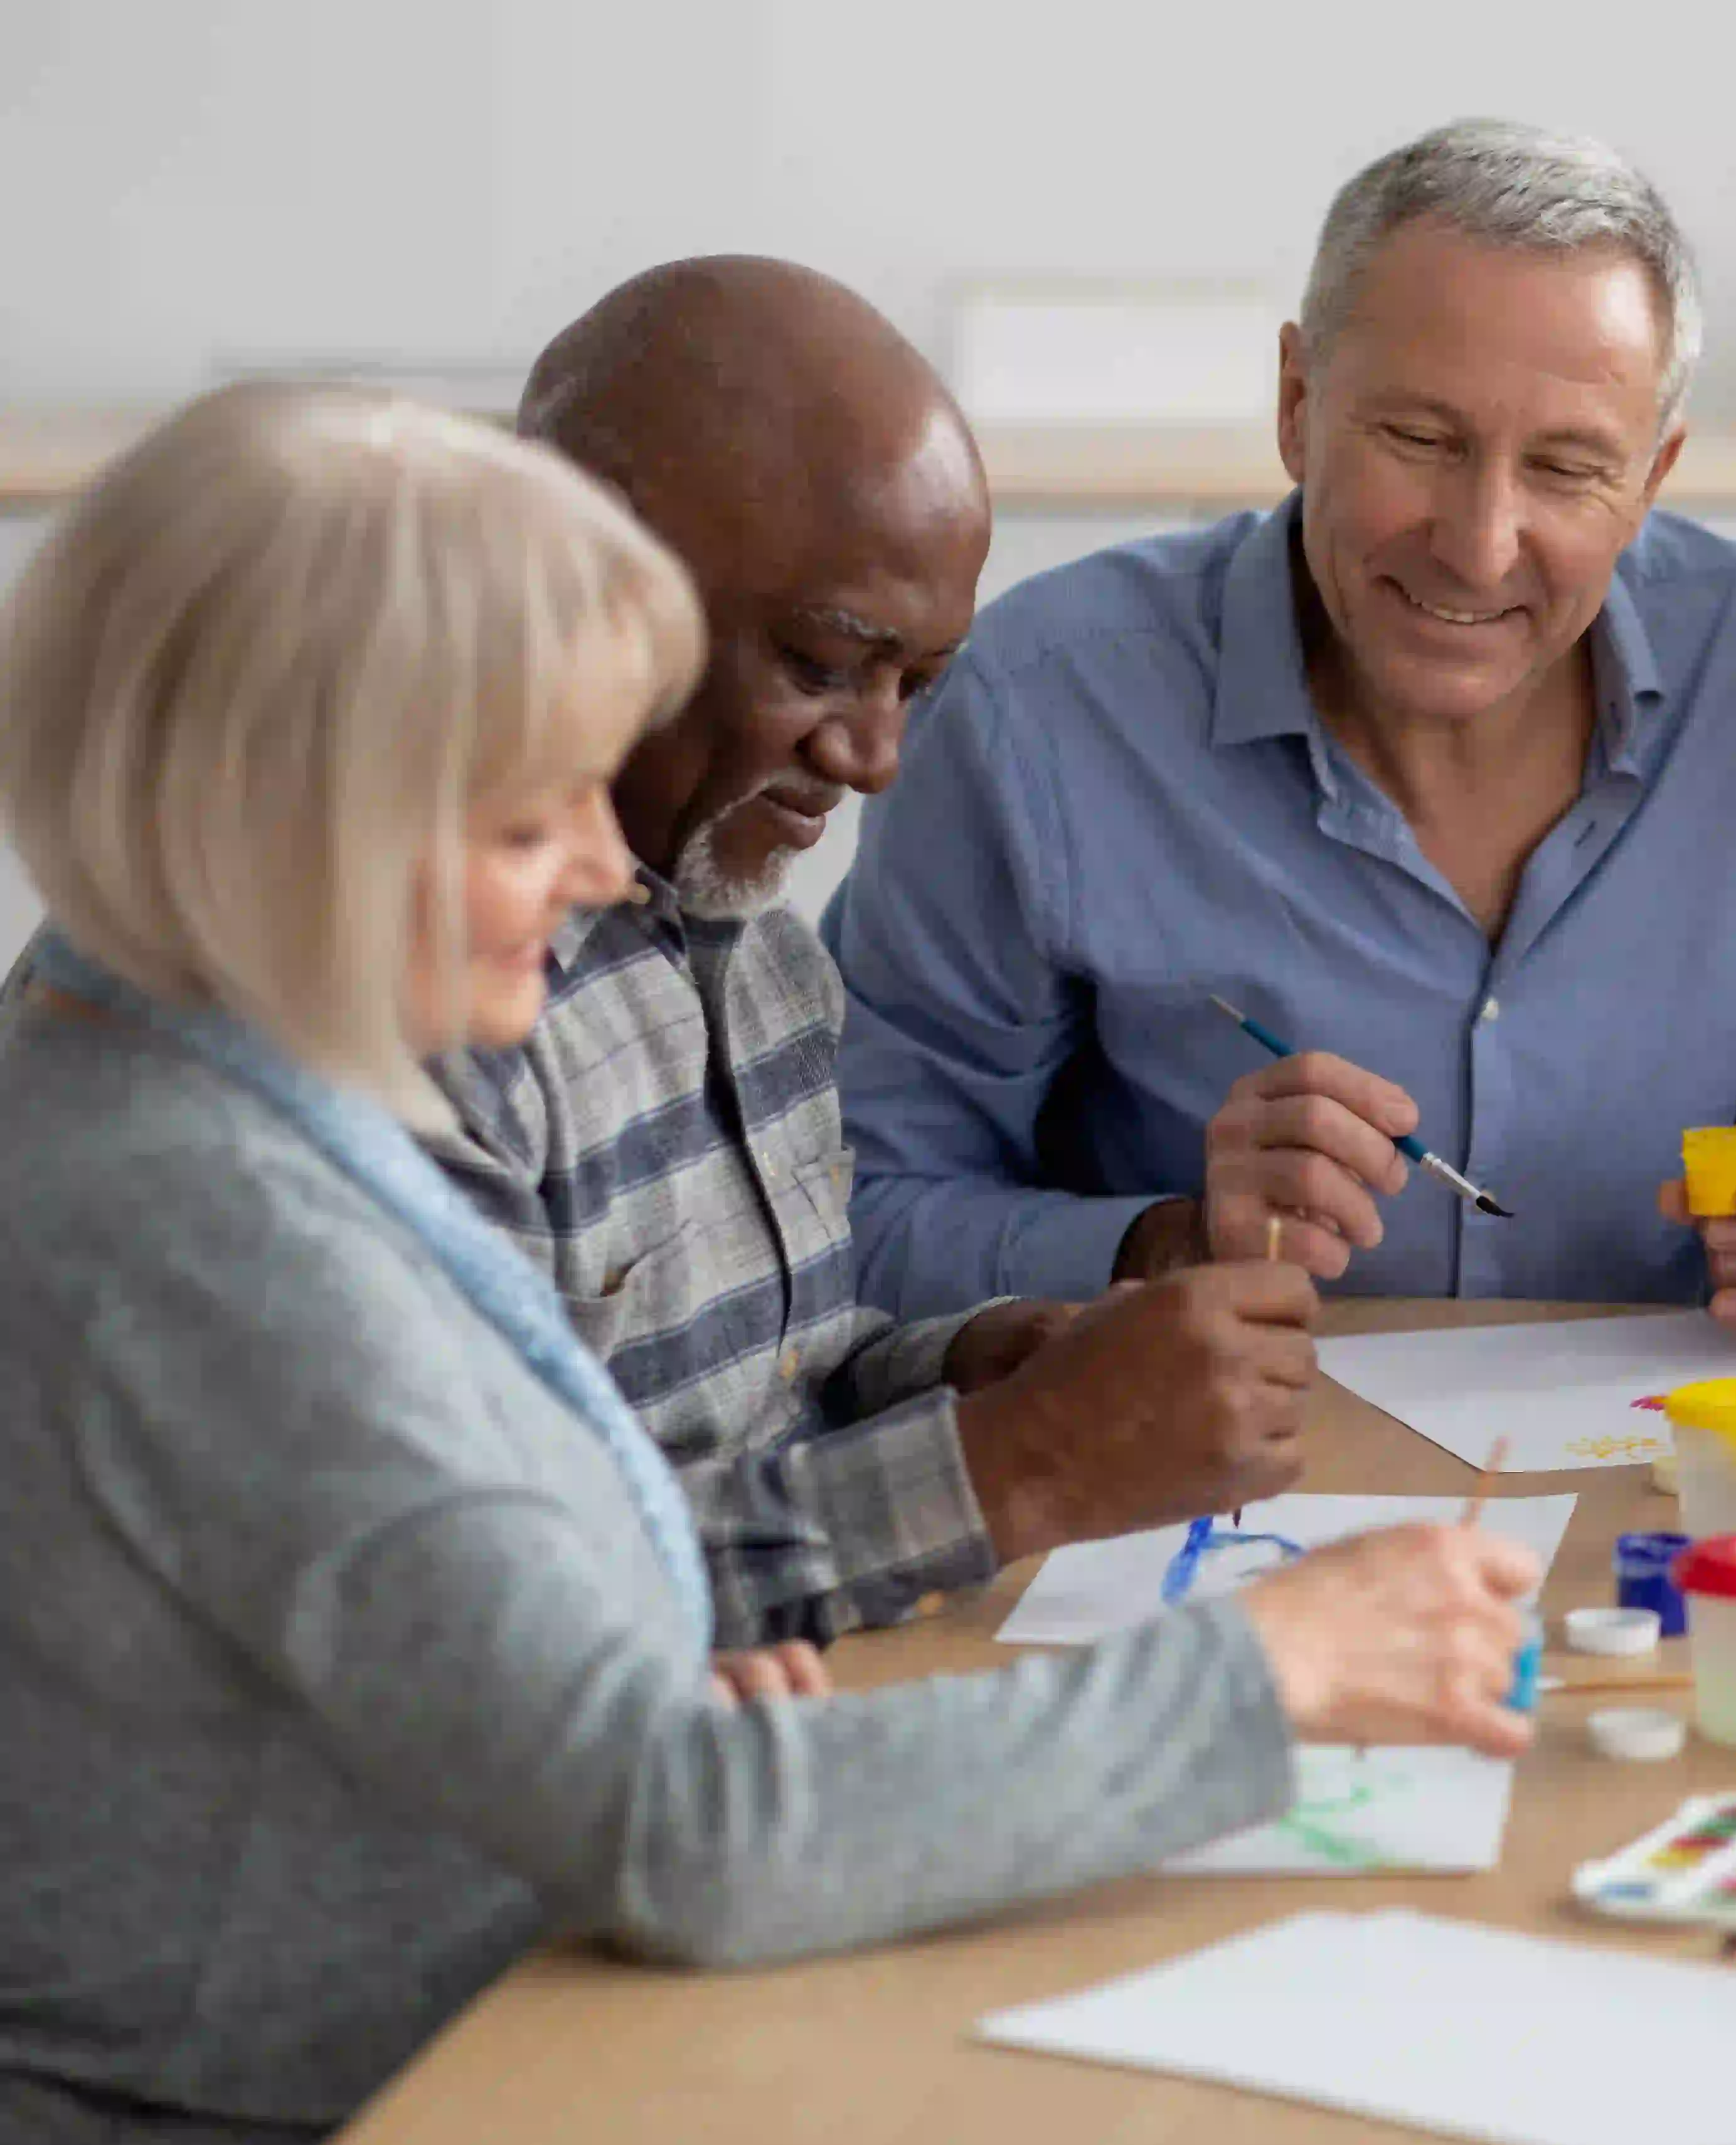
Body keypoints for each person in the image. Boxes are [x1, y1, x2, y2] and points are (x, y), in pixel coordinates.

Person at [0, 386, 1536, 2145]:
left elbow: (537, 1587)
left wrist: (642, 1639)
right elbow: (689, 1830)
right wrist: (1273, 1666)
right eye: (525, 816)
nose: (597, 869)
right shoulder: (206, 1227)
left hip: (514, 2017)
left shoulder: (222, 1085)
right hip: (328, 2108)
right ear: (303, 817)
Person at [826, 120, 1736, 1319]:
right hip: (1215, 1482)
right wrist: (1175, 1241)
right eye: (1421, 439)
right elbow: (842, 1215)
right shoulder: (1035, 705)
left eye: (1566, 468)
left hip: (1680, 1468)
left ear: (1653, 478)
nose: (1481, 543)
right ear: (1296, 403)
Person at [435, 258, 1323, 1649]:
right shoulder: (401, 999)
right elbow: (502, 1619)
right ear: (586, 576)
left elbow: (772, 1393)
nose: (876, 760)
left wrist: (966, 1371)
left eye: (918, 685)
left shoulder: (761, 950)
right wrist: (1012, 1463)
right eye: (819, 662)